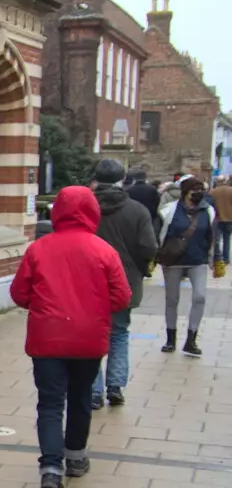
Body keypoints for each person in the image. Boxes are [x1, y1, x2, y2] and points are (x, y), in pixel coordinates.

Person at [9, 186, 130, 488]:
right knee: (80, 398)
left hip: (47, 337)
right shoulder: (104, 251)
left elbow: (20, 293)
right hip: (89, 338)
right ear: (92, 212)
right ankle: (75, 457)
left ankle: (51, 467)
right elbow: (121, 297)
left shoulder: (39, 249)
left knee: (50, 402)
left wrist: (43, 304)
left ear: (57, 211)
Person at [88, 158, 157, 409]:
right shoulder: (137, 210)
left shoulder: (87, 208)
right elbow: (149, 246)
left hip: (90, 281)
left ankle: (94, 390)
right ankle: (115, 385)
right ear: (122, 179)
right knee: (118, 333)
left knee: (93, 335)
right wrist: (140, 266)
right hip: (125, 280)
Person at [158, 175, 216, 357]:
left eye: (201, 190)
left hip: (198, 260)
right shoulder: (169, 211)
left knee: (200, 297)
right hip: (174, 261)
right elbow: (159, 233)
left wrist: (216, 257)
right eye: (194, 191)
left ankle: (191, 338)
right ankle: (170, 338)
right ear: (185, 193)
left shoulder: (208, 211)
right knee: (172, 299)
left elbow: (212, 235)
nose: (198, 194)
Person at [124, 168, 162, 239]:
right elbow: (157, 202)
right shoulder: (152, 189)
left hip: (134, 216)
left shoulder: (130, 190)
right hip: (150, 215)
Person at [209, 175, 232, 276]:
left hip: (216, 217)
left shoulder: (212, 192)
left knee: (216, 239)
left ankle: (217, 258)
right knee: (227, 239)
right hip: (229, 218)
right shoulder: (230, 190)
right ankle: (226, 258)